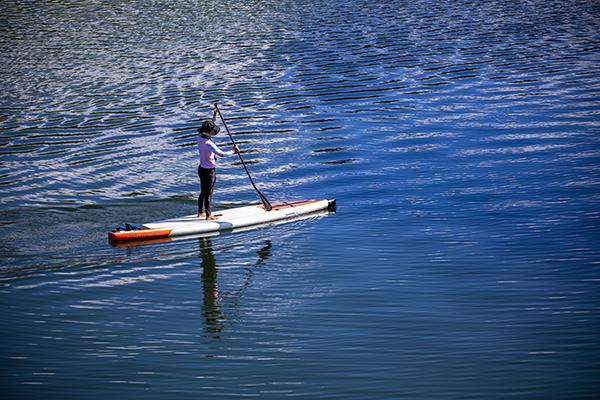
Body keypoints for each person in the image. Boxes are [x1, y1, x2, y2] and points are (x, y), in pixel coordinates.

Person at [196, 107, 239, 220]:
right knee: (209, 193)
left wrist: (215, 115)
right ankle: (209, 215)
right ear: (208, 132)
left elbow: (210, 124)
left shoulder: (200, 137)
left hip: (201, 168)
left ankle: (200, 212)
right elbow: (222, 154)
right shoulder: (208, 143)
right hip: (209, 171)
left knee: (203, 191)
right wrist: (233, 151)